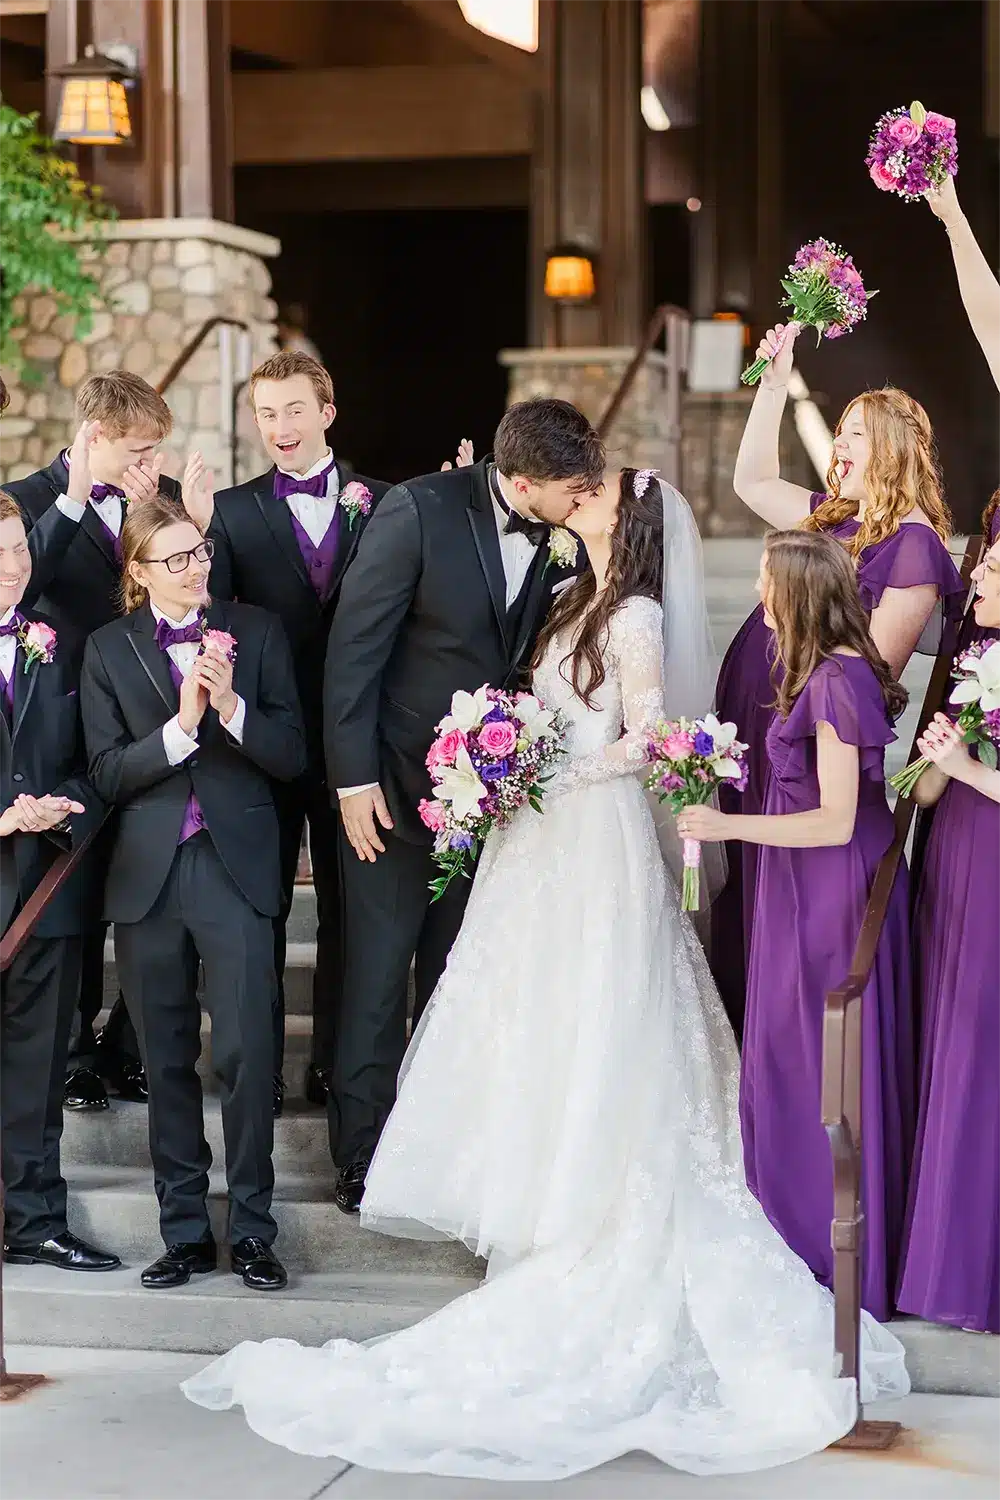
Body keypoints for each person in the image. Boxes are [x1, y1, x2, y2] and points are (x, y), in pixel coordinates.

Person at [182, 471, 907, 1479]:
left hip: (591, 831)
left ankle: (595, 1196)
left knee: (603, 1002)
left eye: (603, 491)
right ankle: (534, 1188)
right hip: (536, 834)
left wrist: (549, 769)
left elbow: (650, 740)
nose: (587, 494)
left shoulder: (641, 616)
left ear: (630, 517)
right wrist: (502, 754)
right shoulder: (569, 594)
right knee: (529, 1009)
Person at [323, 399, 599, 1213]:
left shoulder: (569, 534)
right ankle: (361, 1156)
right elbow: (353, 652)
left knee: (456, 978)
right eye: (569, 488)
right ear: (521, 482)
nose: (581, 500)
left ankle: (438, 1149)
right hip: (396, 789)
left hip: (500, 799)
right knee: (377, 980)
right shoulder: (417, 511)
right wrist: (352, 783)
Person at [681, 530, 914, 1321]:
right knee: (786, 1050)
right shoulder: (817, 673)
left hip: (830, 893)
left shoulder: (840, 683)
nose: (756, 589)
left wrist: (729, 830)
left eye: (764, 578)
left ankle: (817, 1246)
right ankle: (786, 1228)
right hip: (797, 885)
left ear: (796, 594)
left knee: (815, 1060)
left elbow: (837, 820)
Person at [711, 329, 964, 1042]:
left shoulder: (912, 543)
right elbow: (752, 483)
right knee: (748, 885)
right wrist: (773, 380)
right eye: (841, 429)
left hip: (807, 736)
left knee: (777, 883)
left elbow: (866, 673)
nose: (841, 443)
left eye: (856, 432)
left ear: (892, 450)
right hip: (761, 714)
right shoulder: (839, 516)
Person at [80, 497, 306, 1291]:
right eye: (175, 558)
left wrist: (235, 707)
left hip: (237, 866)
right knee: (166, 1059)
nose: (196, 567)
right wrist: (180, 728)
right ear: (138, 573)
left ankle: (251, 1230)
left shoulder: (261, 630)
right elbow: (106, 772)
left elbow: (292, 755)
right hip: (148, 877)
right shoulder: (107, 649)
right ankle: (182, 1231)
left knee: (247, 1055)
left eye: (200, 551)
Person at [180, 351, 390, 1118]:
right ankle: (256, 1069)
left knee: (346, 911)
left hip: (354, 749)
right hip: (260, 743)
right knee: (259, 911)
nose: (279, 429)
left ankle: (334, 1069)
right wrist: (199, 538)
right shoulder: (232, 513)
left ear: (327, 412)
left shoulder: (387, 503)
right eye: (265, 414)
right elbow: (214, 623)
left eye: (294, 410)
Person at [7, 372, 183, 1113]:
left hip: (146, 725)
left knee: (148, 891)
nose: (152, 460)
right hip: (61, 732)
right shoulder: (29, 500)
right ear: (96, 436)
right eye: (138, 446)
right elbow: (19, 584)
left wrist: (164, 512)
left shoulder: (160, 494)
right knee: (70, 895)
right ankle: (75, 1052)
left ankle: (129, 1048)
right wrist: (76, 501)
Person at [0, 490, 119, 1274]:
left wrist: (62, 806)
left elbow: (101, 757)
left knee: (38, 1071)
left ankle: (33, 1219)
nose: (13, 568)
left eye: (18, 549)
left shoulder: (61, 643)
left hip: (44, 890)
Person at [895, 537, 1000, 1332]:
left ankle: (970, 1271)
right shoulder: (976, 659)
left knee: (980, 1053)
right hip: (956, 856)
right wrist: (935, 757)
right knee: (947, 1044)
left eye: (993, 572)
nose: (978, 581)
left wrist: (964, 769)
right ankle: (934, 1262)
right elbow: (929, 792)